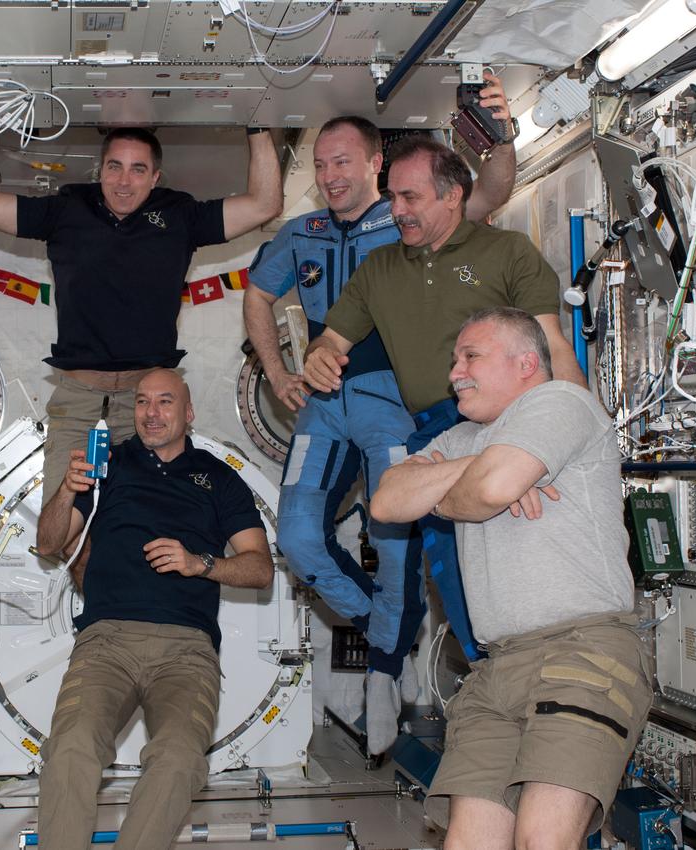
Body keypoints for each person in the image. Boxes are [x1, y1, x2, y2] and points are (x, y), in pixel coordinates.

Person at [244, 77, 518, 755]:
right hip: (323, 410)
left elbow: (491, 192)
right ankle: (389, 630)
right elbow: (255, 295)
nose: (331, 175)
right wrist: (278, 371)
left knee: (394, 543)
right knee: (301, 540)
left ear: (375, 165)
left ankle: (390, 662)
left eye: (345, 162)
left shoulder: (404, 221)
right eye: (321, 164)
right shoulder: (300, 233)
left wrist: (503, 140)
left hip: (393, 404)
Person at [301, 134, 585, 670]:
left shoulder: (505, 253)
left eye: (411, 198)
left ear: (453, 195)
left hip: (510, 421)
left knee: (533, 545)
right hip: (432, 431)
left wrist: (572, 433)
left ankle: (550, 669)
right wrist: (318, 356)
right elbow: (331, 341)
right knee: (452, 567)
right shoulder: (379, 271)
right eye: (392, 197)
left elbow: (553, 347)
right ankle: (487, 671)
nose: (396, 210)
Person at [369, 308, 650, 850]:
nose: (455, 372)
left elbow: (494, 487)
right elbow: (387, 500)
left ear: (526, 362)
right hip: (497, 669)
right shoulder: (462, 437)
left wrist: (468, 480)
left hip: (581, 653)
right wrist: (481, 464)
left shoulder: (560, 402)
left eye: (470, 356)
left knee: (543, 840)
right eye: (455, 360)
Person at [0, 126, 282, 510]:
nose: (124, 182)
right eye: (115, 167)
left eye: (138, 169)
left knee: (142, 528)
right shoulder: (67, 208)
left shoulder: (180, 215)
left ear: (155, 177)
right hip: (79, 402)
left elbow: (264, 204)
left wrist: (260, 126)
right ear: (100, 170)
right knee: (59, 533)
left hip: (146, 404)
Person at [35, 368, 274, 850]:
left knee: (179, 758)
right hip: (106, 642)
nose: (151, 412)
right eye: (142, 402)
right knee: (70, 749)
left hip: (186, 650)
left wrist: (199, 563)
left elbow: (260, 569)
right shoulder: (109, 466)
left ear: (188, 413)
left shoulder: (219, 479)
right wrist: (66, 489)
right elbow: (47, 543)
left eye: (165, 402)